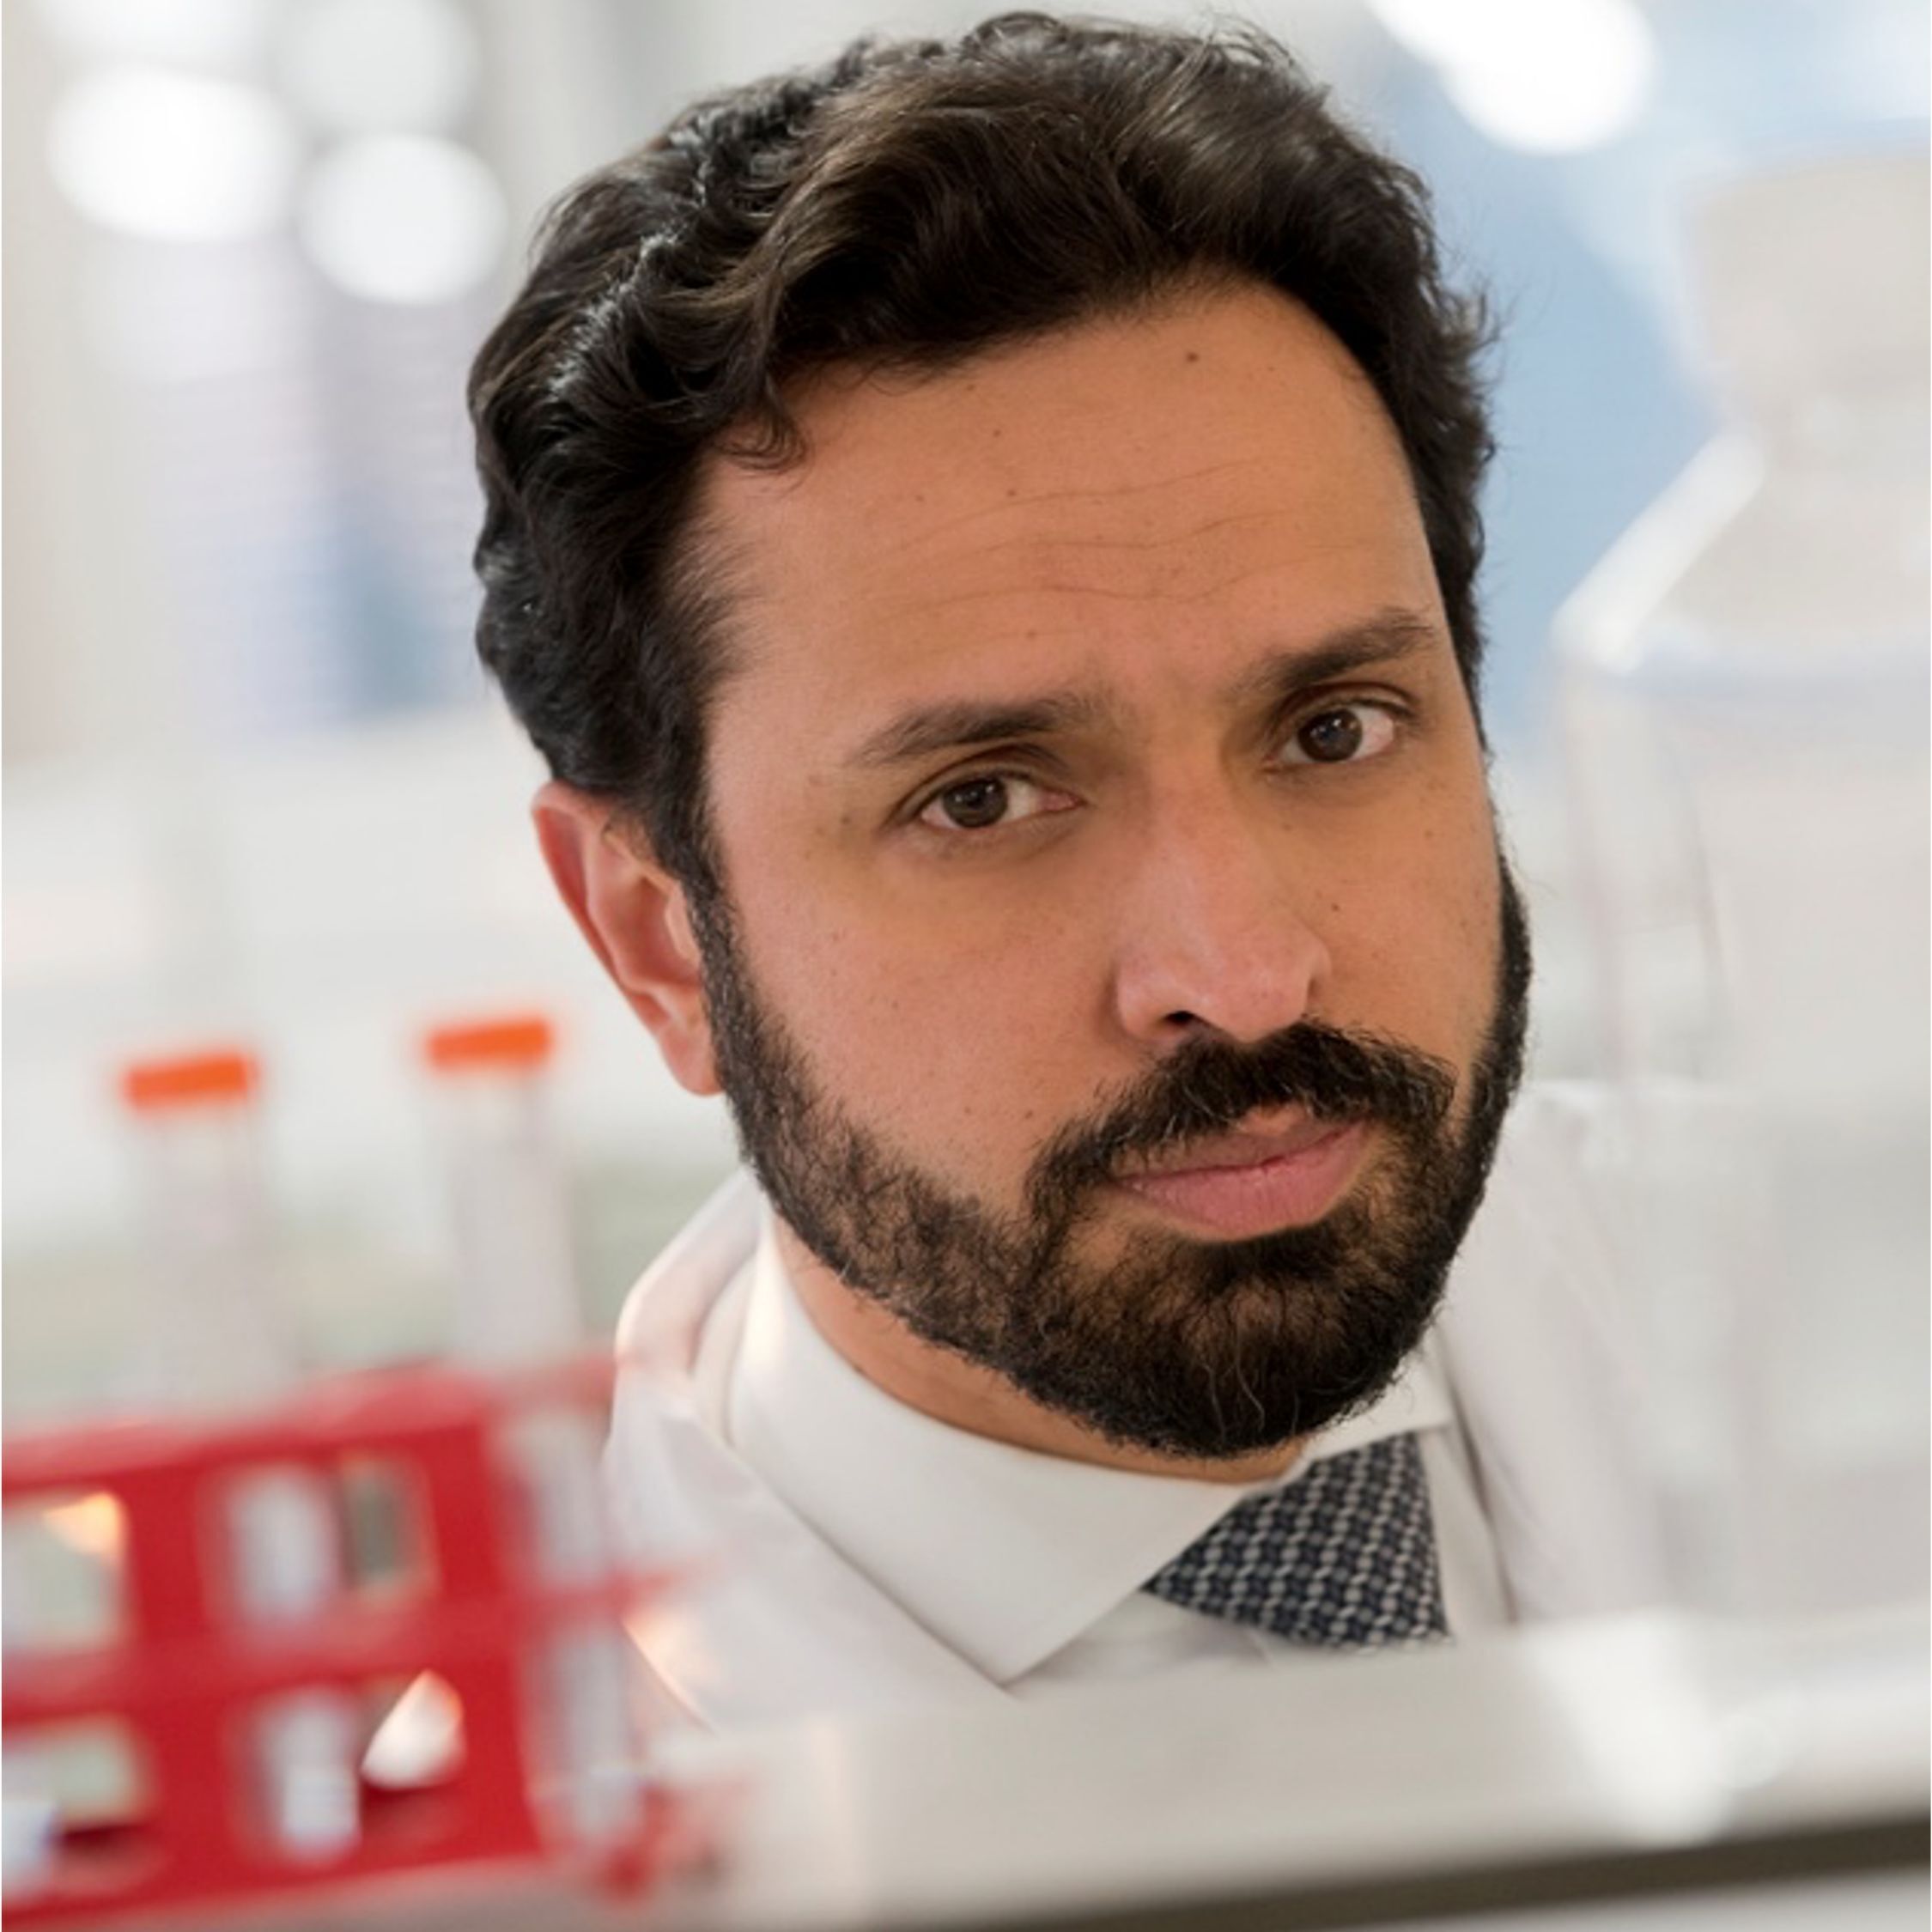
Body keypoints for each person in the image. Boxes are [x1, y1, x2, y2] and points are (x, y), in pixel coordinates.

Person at [468, 12, 1667, 1735]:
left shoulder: (1846, 1318)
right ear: (658, 939)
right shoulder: (497, 1850)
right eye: (984, 799)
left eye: (1334, 730)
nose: (1244, 973)